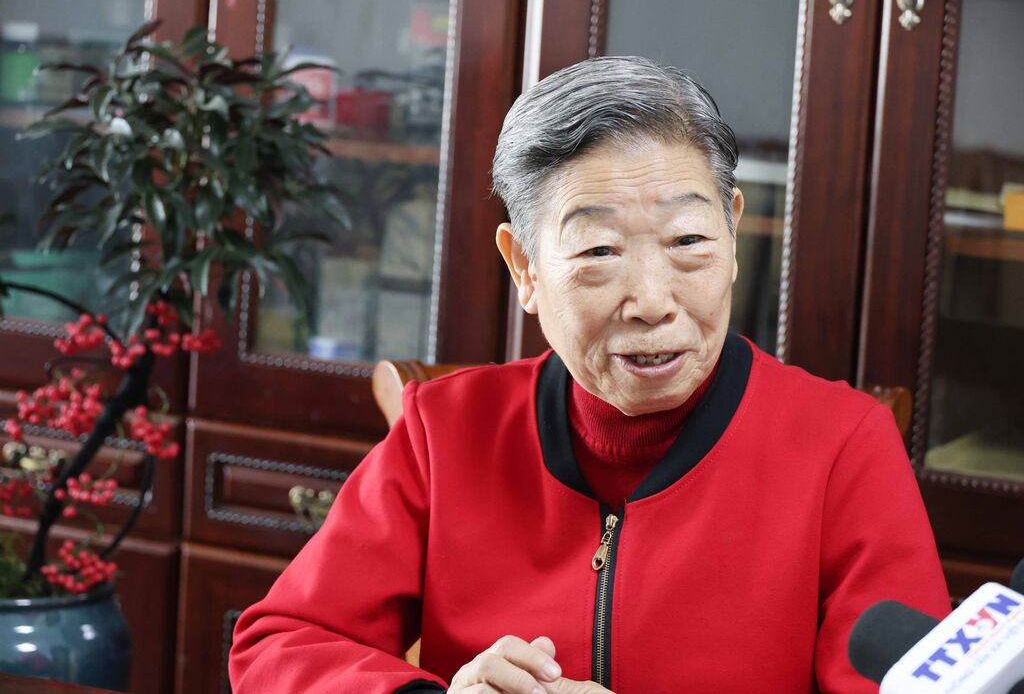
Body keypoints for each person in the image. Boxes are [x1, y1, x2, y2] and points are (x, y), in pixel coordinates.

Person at [228, 56, 950, 693]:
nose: (652, 302)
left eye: (688, 240)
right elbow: (280, 645)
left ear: (732, 235)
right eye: (599, 251)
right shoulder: (443, 431)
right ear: (525, 267)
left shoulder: (843, 445)